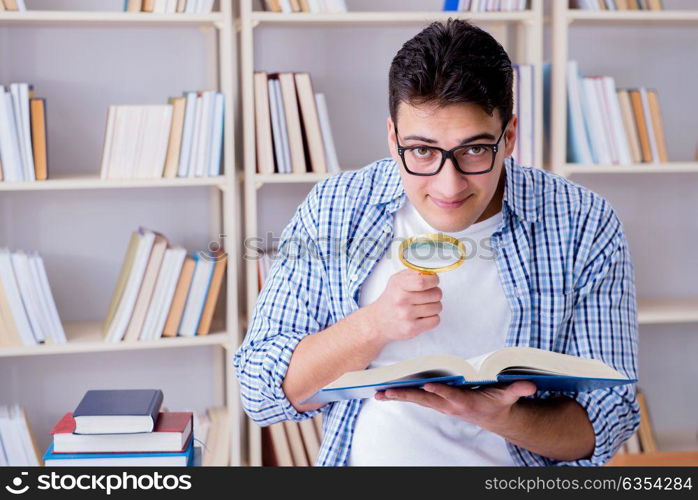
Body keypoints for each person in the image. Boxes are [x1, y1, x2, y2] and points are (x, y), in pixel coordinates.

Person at [234, 19, 639, 466]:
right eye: (423, 151)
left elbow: (606, 423)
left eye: (473, 150)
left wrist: (500, 417)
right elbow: (260, 390)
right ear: (393, 138)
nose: (448, 186)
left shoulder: (584, 222)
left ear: (508, 137)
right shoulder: (336, 207)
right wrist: (374, 326)